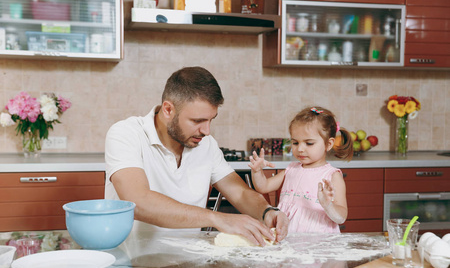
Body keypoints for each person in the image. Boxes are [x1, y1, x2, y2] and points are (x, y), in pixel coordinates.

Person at [105, 66, 288, 245]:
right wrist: (217, 219)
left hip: (190, 264)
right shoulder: (126, 134)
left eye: (211, 120)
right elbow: (138, 201)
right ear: (168, 109)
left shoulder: (206, 144)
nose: (206, 131)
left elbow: (239, 192)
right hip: (132, 265)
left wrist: (267, 211)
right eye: (197, 121)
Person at [248, 106, 353, 233]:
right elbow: (263, 187)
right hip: (288, 238)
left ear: (328, 144)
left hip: (318, 243)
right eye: (295, 143)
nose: (300, 149)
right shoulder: (291, 169)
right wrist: (257, 171)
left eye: (309, 143)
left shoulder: (332, 175)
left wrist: (328, 205)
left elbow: (341, 217)